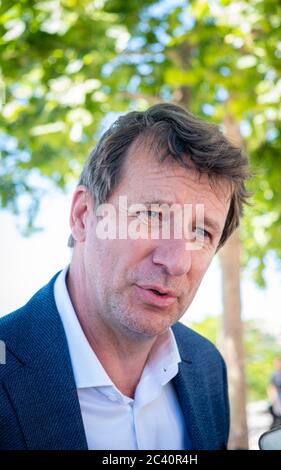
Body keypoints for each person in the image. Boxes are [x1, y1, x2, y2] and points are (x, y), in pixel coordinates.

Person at [0, 103, 249, 450]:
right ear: (84, 216)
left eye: (201, 233)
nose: (175, 262)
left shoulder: (207, 367)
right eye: (151, 215)